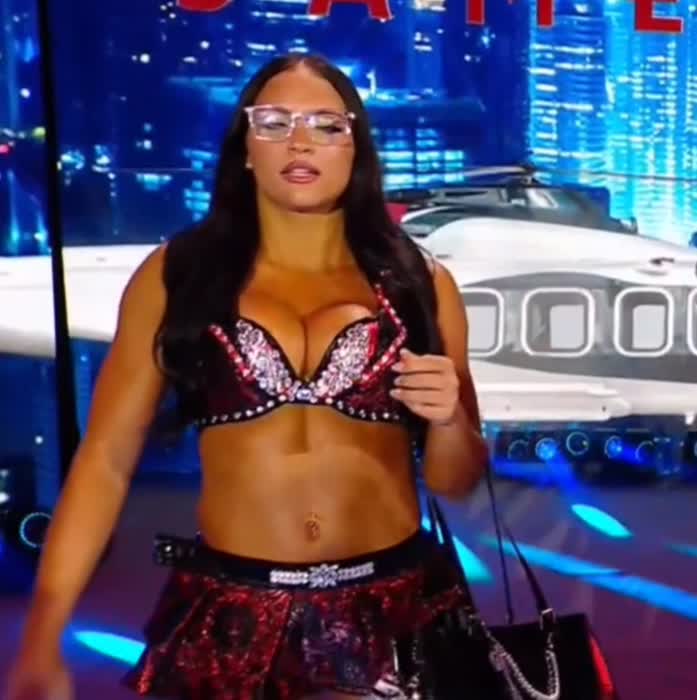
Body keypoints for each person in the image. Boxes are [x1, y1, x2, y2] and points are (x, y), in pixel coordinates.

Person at [6, 54, 488, 700]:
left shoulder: (420, 284)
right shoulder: (176, 276)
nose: (299, 142)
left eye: (325, 125)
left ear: (355, 149)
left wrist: (449, 419)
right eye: (275, 123)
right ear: (245, 149)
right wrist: (42, 634)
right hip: (230, 621)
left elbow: (457, 481)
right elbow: (106, 460)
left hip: (395, 615)